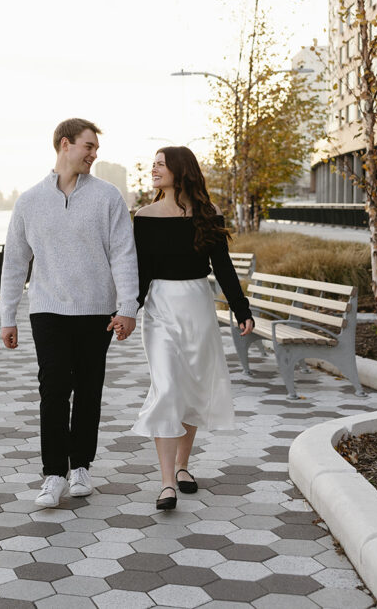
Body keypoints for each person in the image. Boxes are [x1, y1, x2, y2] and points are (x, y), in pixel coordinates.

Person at [0, 118, 140, 508]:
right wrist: (6, 316)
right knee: (54, 390)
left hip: (97, 310)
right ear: (65, 144)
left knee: (89, 389)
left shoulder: (108, 197)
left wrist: (127, 307)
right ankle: (53, 474)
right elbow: (14, 262)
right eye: (88, 146)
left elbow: (123, 254)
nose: (94, 154)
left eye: (95, 148)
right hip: (47, 309)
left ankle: (81, 466)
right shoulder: (29, 201)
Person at [125, 146, 254, 510]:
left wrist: (241, 309)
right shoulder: (145, 216)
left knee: (194, 387)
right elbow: (141, 272)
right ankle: (166, 483)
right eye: (153, 164)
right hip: (161, 308)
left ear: (181, 171)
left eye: (160, 164)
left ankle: (183, 466)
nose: (153, 169)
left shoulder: (208, 214)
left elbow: (223, 267)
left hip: (198, 304)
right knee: (166, 387)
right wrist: (127, 311)